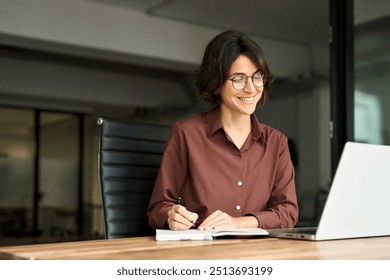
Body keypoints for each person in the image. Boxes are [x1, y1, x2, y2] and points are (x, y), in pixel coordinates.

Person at [147, 30, 298, 231]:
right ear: (216, 84)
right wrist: (171, 216)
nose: (251, 89)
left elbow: (288, 212)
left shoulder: (276, 142)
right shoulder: (186, 134)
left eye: (257, 77)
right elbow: (159, 207)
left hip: (258, 255)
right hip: (203, 254)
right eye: (238, 79)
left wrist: (238, 223)